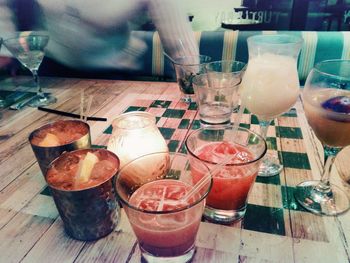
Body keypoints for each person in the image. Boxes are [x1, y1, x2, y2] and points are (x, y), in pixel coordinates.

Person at [0, 0, 199, 77]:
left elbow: (179, 43)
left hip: (112, 75)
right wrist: (5, 46)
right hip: (50, 71)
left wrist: (192, 84)